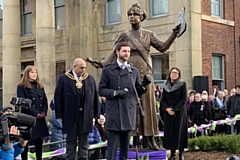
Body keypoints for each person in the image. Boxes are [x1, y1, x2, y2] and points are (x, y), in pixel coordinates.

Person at [87, 2, 184, 150]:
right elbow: (114, 53)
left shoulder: (148, 35)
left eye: (135, 15)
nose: (132, 17)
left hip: (146, 75)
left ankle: (150, 139)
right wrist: (101, 63)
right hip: (128, 76)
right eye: (130, 15)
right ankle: (131, 139)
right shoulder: (124, 36)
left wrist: (173, 34)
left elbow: (163, 47)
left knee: (148, 107)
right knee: (129, 107)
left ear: (141, 17)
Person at [98, 42, 150, 160]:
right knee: (112, 150)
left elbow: (136, 91)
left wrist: (144, 86)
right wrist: (115, 93)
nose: (127, 54)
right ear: (117, 52)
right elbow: (101, 90)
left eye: (128, 51)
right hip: (114, 114)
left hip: (128, 113)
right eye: (124, 51)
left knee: (125, 150)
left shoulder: (133, 70)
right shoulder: (108, 69)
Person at [54, 58, 100, 160]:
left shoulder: (90, 79)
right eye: (81, 68)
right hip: (70, 115)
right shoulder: (63, 79)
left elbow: (95, 98)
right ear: (75, 67)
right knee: (71, 141)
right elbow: (58, 97)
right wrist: (59, 115)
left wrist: (96, 114)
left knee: (84, 142)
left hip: (85, 115)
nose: (84, 70)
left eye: (85, 68)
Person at [16, 65, 49, 160]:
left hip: (39, 119)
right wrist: (35, 113)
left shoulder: (40, 86)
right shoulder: (21, 87)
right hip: (28, 118)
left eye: (35, 72)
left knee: (39, 142)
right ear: (27, 74)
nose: (34, 74)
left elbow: (45, 101)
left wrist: (43, 112)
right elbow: (23, 102)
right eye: (32, 72)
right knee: (25, 142)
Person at [161, 67, 188, 160]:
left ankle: (181, 153)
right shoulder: (165, 85)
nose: (174, 74)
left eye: (176, 73)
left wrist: (176, 109)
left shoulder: (182, 84)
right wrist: (167, 109)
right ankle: (172, 153)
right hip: (168, 112)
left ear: (179, 75)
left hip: (179, 112)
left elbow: (184, 98)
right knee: (170, 133)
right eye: (172, 72)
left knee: (179, 132)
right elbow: (163, 99)